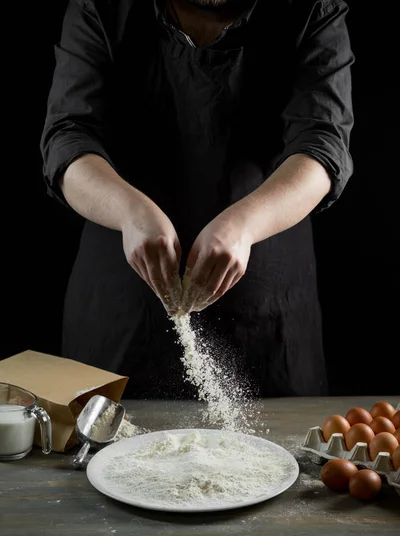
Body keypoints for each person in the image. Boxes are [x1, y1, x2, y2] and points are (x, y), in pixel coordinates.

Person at [41, 0, 354, 399]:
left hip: (268, 308)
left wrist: (243, 225)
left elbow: (323, 145)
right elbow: (67, 137)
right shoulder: (99, 8)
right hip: (120, 306)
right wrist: (131, 213)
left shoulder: (312, 9)